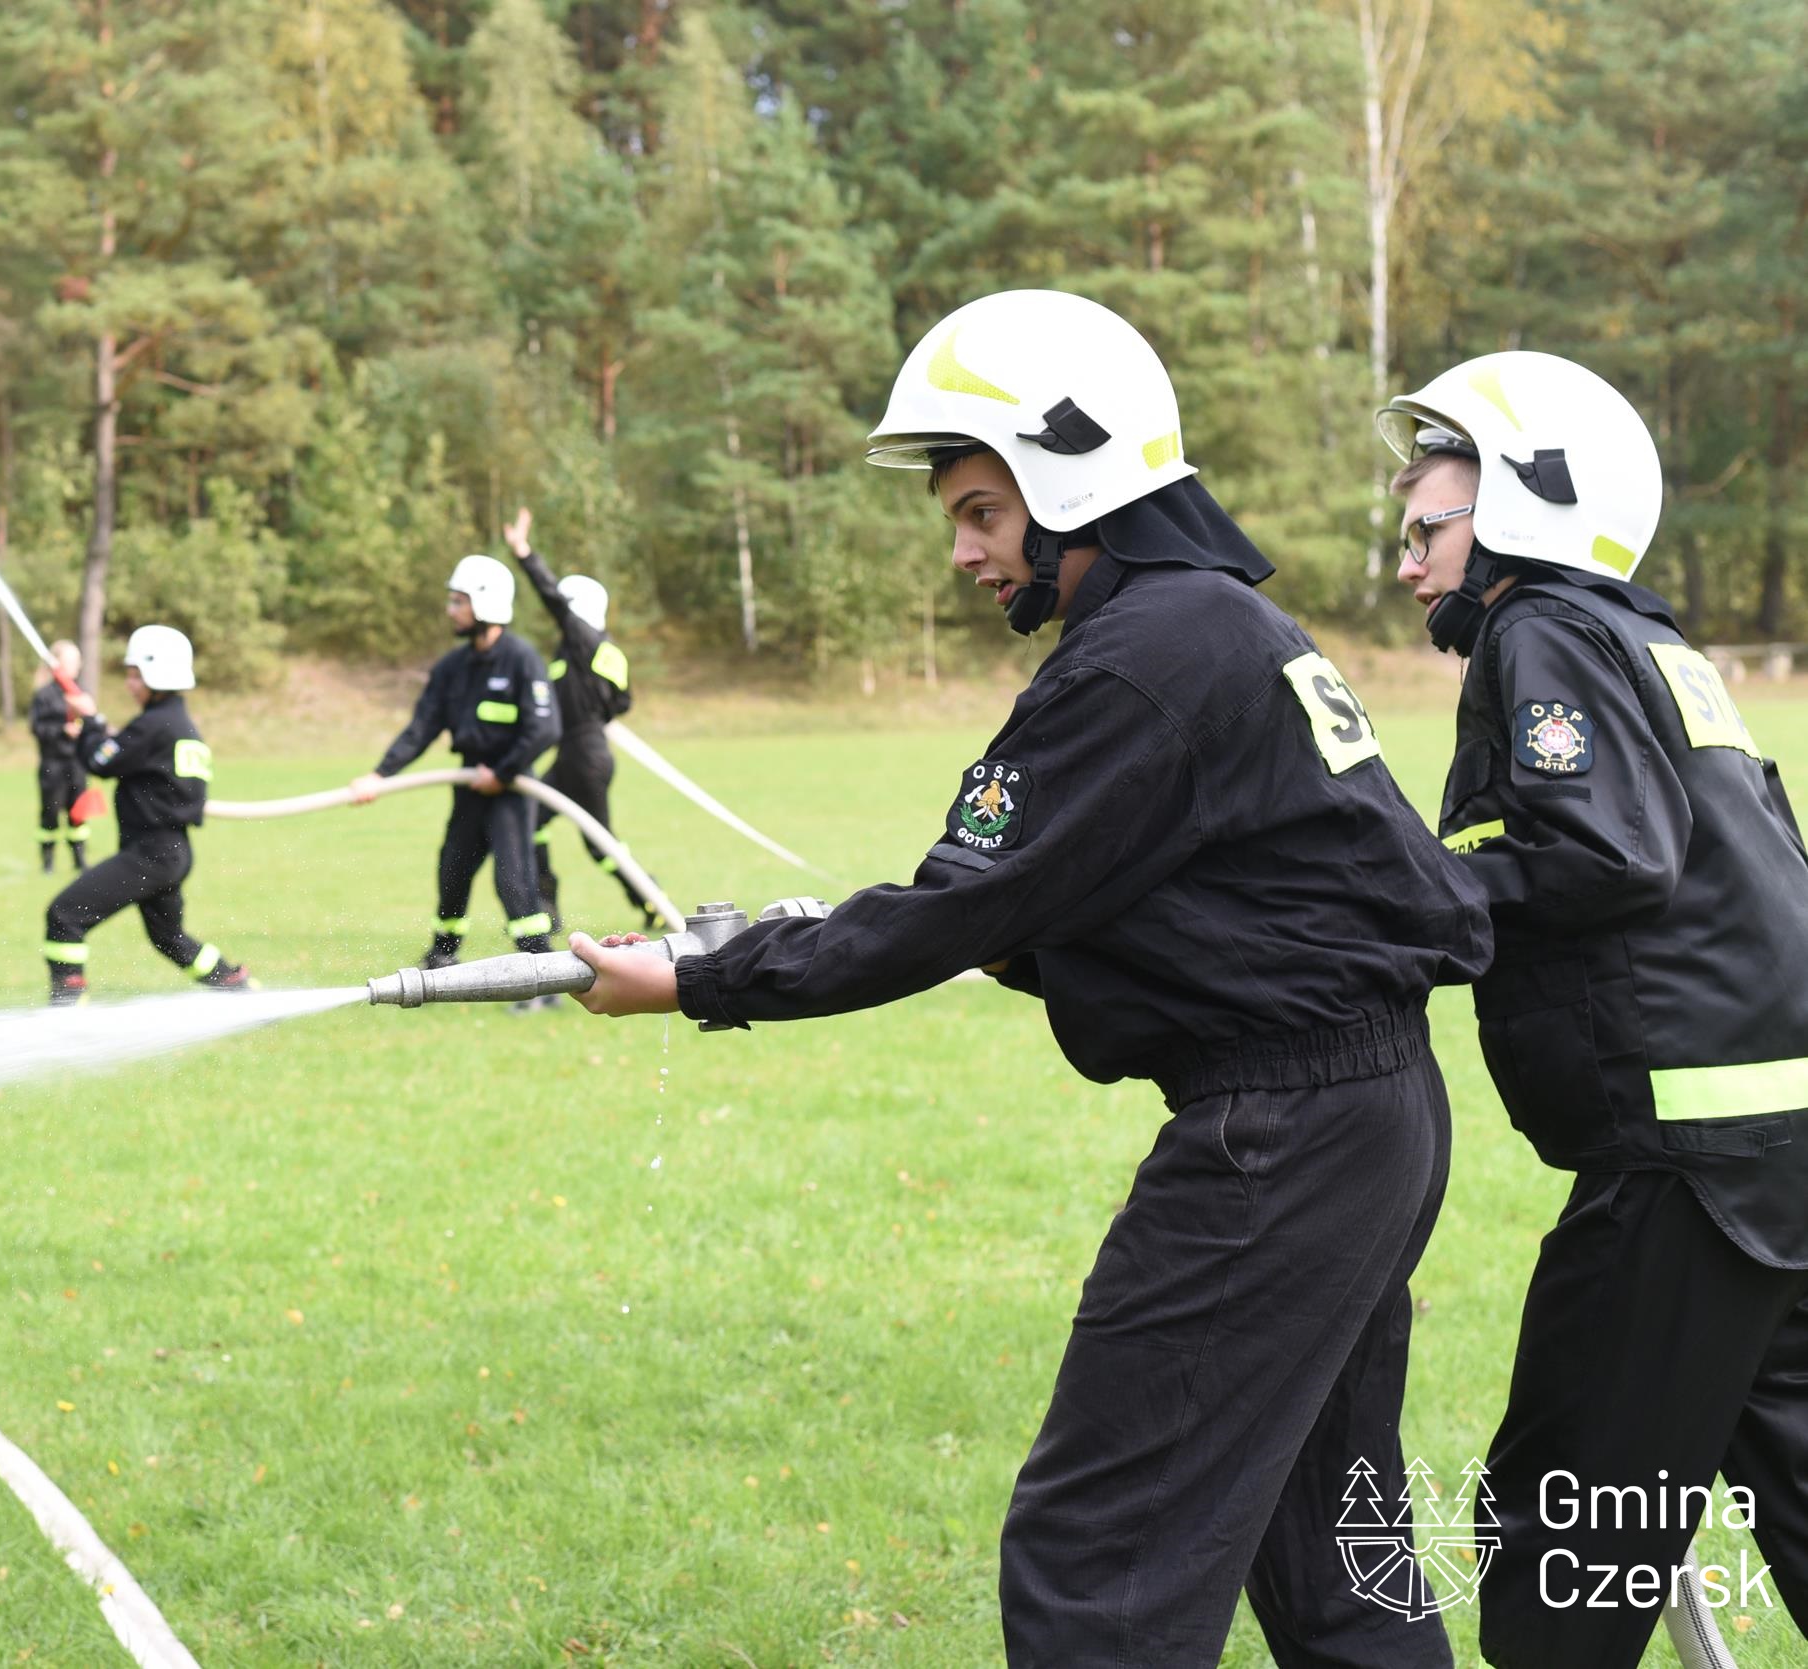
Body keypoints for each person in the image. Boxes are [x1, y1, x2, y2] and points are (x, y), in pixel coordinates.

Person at [569, 289, 1493, 1668]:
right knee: (1332, 1562)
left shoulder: (1143, 663)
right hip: (1369, 1114)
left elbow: (962, 905)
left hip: (1281, 1143)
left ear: (1078, 484)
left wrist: (701, 979)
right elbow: (1203, 902)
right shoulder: (1224, 631)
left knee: (1098, 1563)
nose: (961, 552)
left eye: (984, 513)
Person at [1381, 351, 1808, 1668]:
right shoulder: (1654, 641)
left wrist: (1410, 892)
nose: (1405, 565)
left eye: (1425, 532)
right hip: (1776, 1141)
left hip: (1684, 1164)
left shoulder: (1543, 626)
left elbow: (1610, 854)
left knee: (1564, 1524)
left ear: (1521, 510)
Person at [349, 554, 561, 971]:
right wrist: (379, 775)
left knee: (513, 883)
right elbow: (421, 728)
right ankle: (442, 955)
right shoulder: (453, 668)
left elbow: (545, 728)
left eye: (457, 601)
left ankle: (543, 971)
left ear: (486, 603)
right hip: (468, 787)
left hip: (510, 790)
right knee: (453, 871)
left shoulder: (521, 660)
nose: (451, 611)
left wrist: (501, 774)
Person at [40, 626, 253, 1005]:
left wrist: (88, 723)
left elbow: (100, 762)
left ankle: (67, 1010)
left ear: (159, 676)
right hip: (170, 854)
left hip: (150, 855)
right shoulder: (176, 726)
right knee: (169, 938)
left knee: (65, 915)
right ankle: (236, 985)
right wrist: (98, 731)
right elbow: (123, 751)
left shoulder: (155, 726)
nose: (128, 683)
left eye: (135, 674)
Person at [502, 506, 661, 944]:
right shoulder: (602, 652)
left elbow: (553, 599)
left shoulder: (583, 641)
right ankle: (548, 904)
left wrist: (525, 554)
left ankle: (651, 899)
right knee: (535, 821)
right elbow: (622, 702)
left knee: (599, 844)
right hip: (579, 753)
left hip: (584, 755)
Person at [30, 640, 90, 874]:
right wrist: (61, 730)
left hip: (77, 764)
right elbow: (37, 728)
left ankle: (80, 860)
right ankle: (48, 863)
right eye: (73, 660)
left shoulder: (79, 692)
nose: (78, 665)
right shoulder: (45, 695)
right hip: (53, 764)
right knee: (50, 813)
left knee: (79, 813)